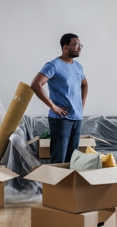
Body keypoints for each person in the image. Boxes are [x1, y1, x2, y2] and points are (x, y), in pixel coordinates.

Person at [31, 33, 88, 164]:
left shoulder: (78, 66)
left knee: (73, 160)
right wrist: (53, 106)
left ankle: (68, 185)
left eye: (80, 45)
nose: (79, 48)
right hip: (61, 120)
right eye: (76, 45)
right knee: (59, 160)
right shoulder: (53, 65)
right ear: (66, 47)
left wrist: (82, 104)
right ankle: (54, 185)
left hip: (77, 119)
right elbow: (36, 85)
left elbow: (84, 84)